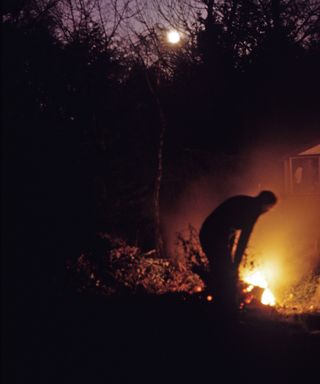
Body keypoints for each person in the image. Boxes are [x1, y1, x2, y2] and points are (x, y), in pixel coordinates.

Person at [199, 190, 277, 314]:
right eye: (269, 208)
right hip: (212, 235)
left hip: (210, 233)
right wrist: (235, 265)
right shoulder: (253, 210)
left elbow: (232, 231)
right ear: (265, 204)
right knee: (225, 274)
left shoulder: (245, 202)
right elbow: (243, 240)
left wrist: (232, 261)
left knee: (222, 271)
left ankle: (219, 306)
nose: (267, 211)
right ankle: (225, 310)